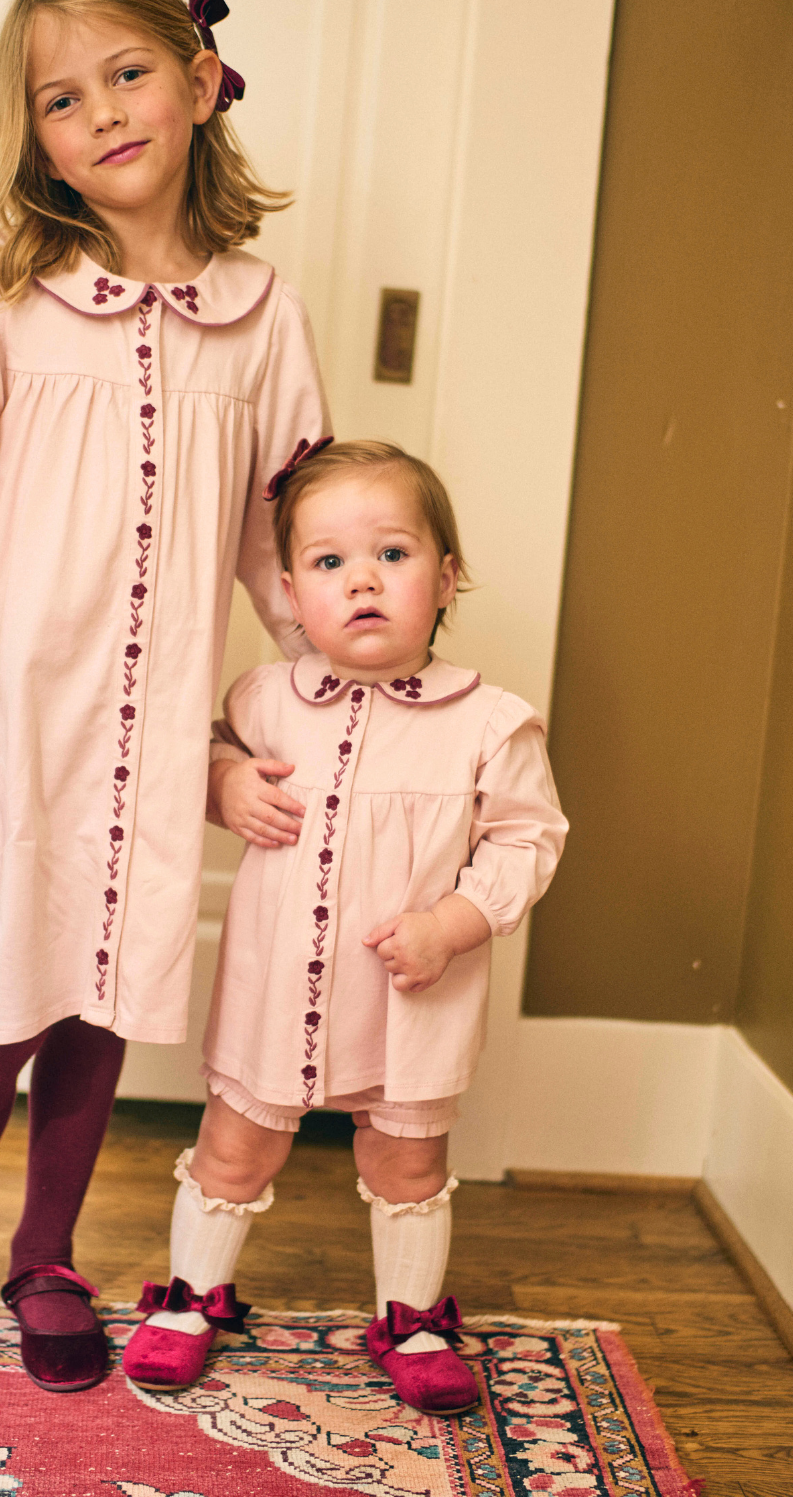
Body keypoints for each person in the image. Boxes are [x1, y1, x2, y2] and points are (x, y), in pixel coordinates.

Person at [0, 0, 328, 1394]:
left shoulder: (260, 316)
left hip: (153, 727)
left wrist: (333, 690)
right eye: (60, 99)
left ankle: (45, 1252)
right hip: (12, 726)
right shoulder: (11, 295)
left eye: (127, 74)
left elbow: (283, 536)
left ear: (198, 83)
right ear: (35, 141)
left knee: (99, 994)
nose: (102, 112)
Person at [122, 440, 568, 1413]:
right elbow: (187, 759)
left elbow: (526, 839)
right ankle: (192, 1299)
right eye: (328, 563)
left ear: (446, 577)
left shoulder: (488, 723)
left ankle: (410, 1319)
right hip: (275, 986)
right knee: (234, 1143)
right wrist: (225, 782)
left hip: (412, 993)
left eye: (392, 555)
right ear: (289, 591)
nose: (360, 580)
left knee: (405, 1157)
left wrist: (454, 920)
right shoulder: (265, 699)